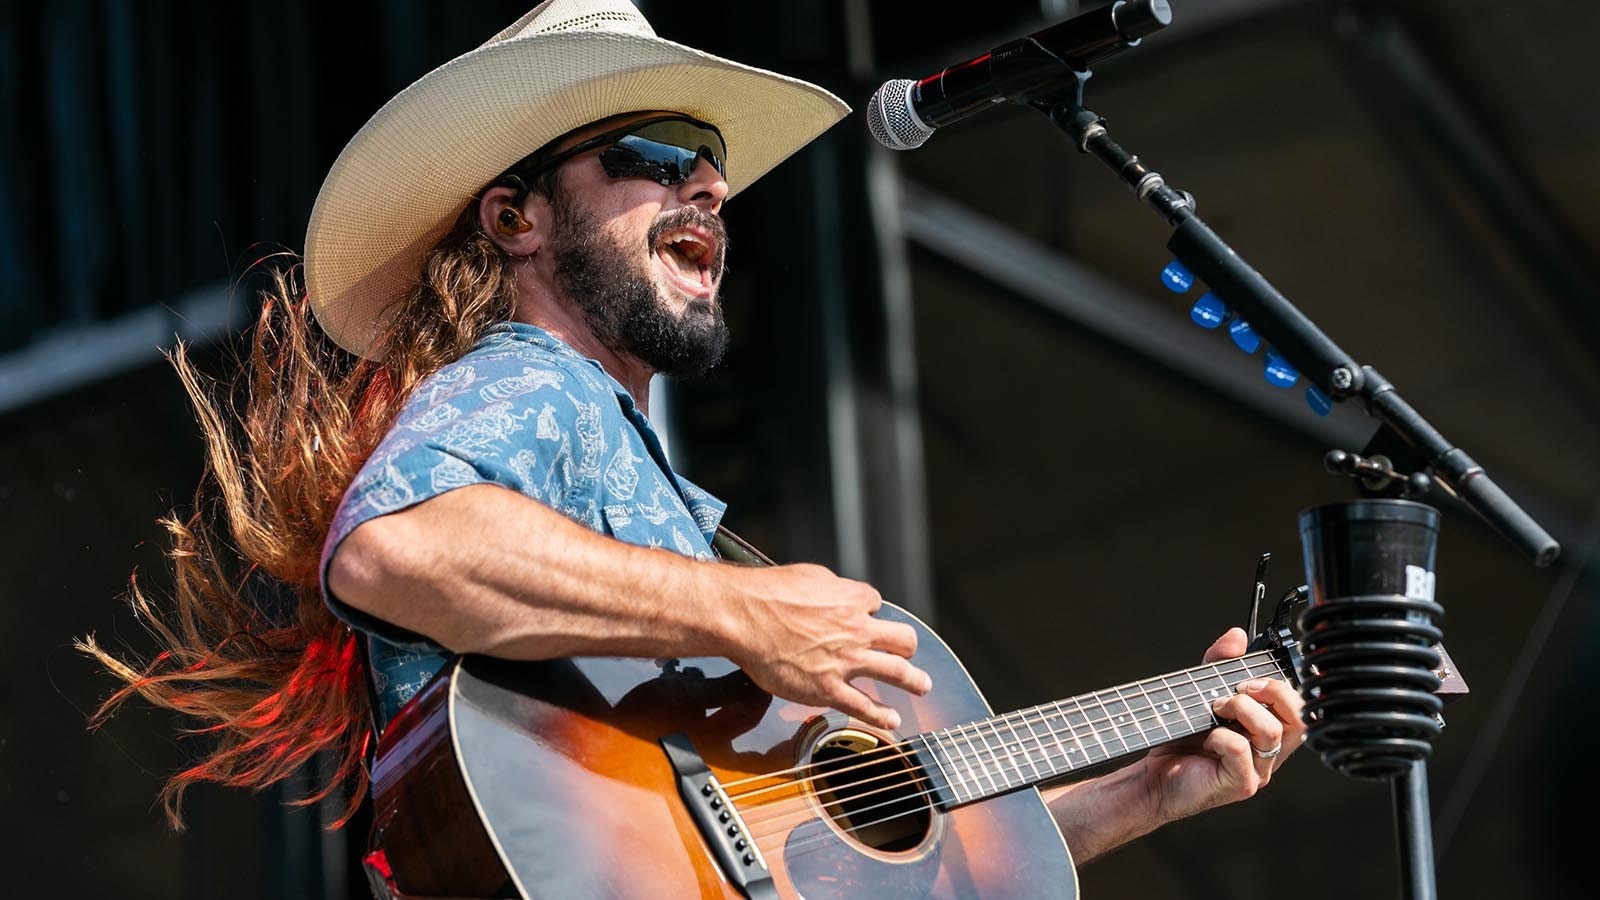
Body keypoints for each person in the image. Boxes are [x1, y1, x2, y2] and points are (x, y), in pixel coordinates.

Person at [83, 0, 1305, 887]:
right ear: (514, 217)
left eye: (714, 171)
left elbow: (821, 861)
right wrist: (747, 619)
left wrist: (1138, 792)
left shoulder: (643, 483)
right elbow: (396, 548)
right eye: (660, 158)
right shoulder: (530, 384)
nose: (709, 190)